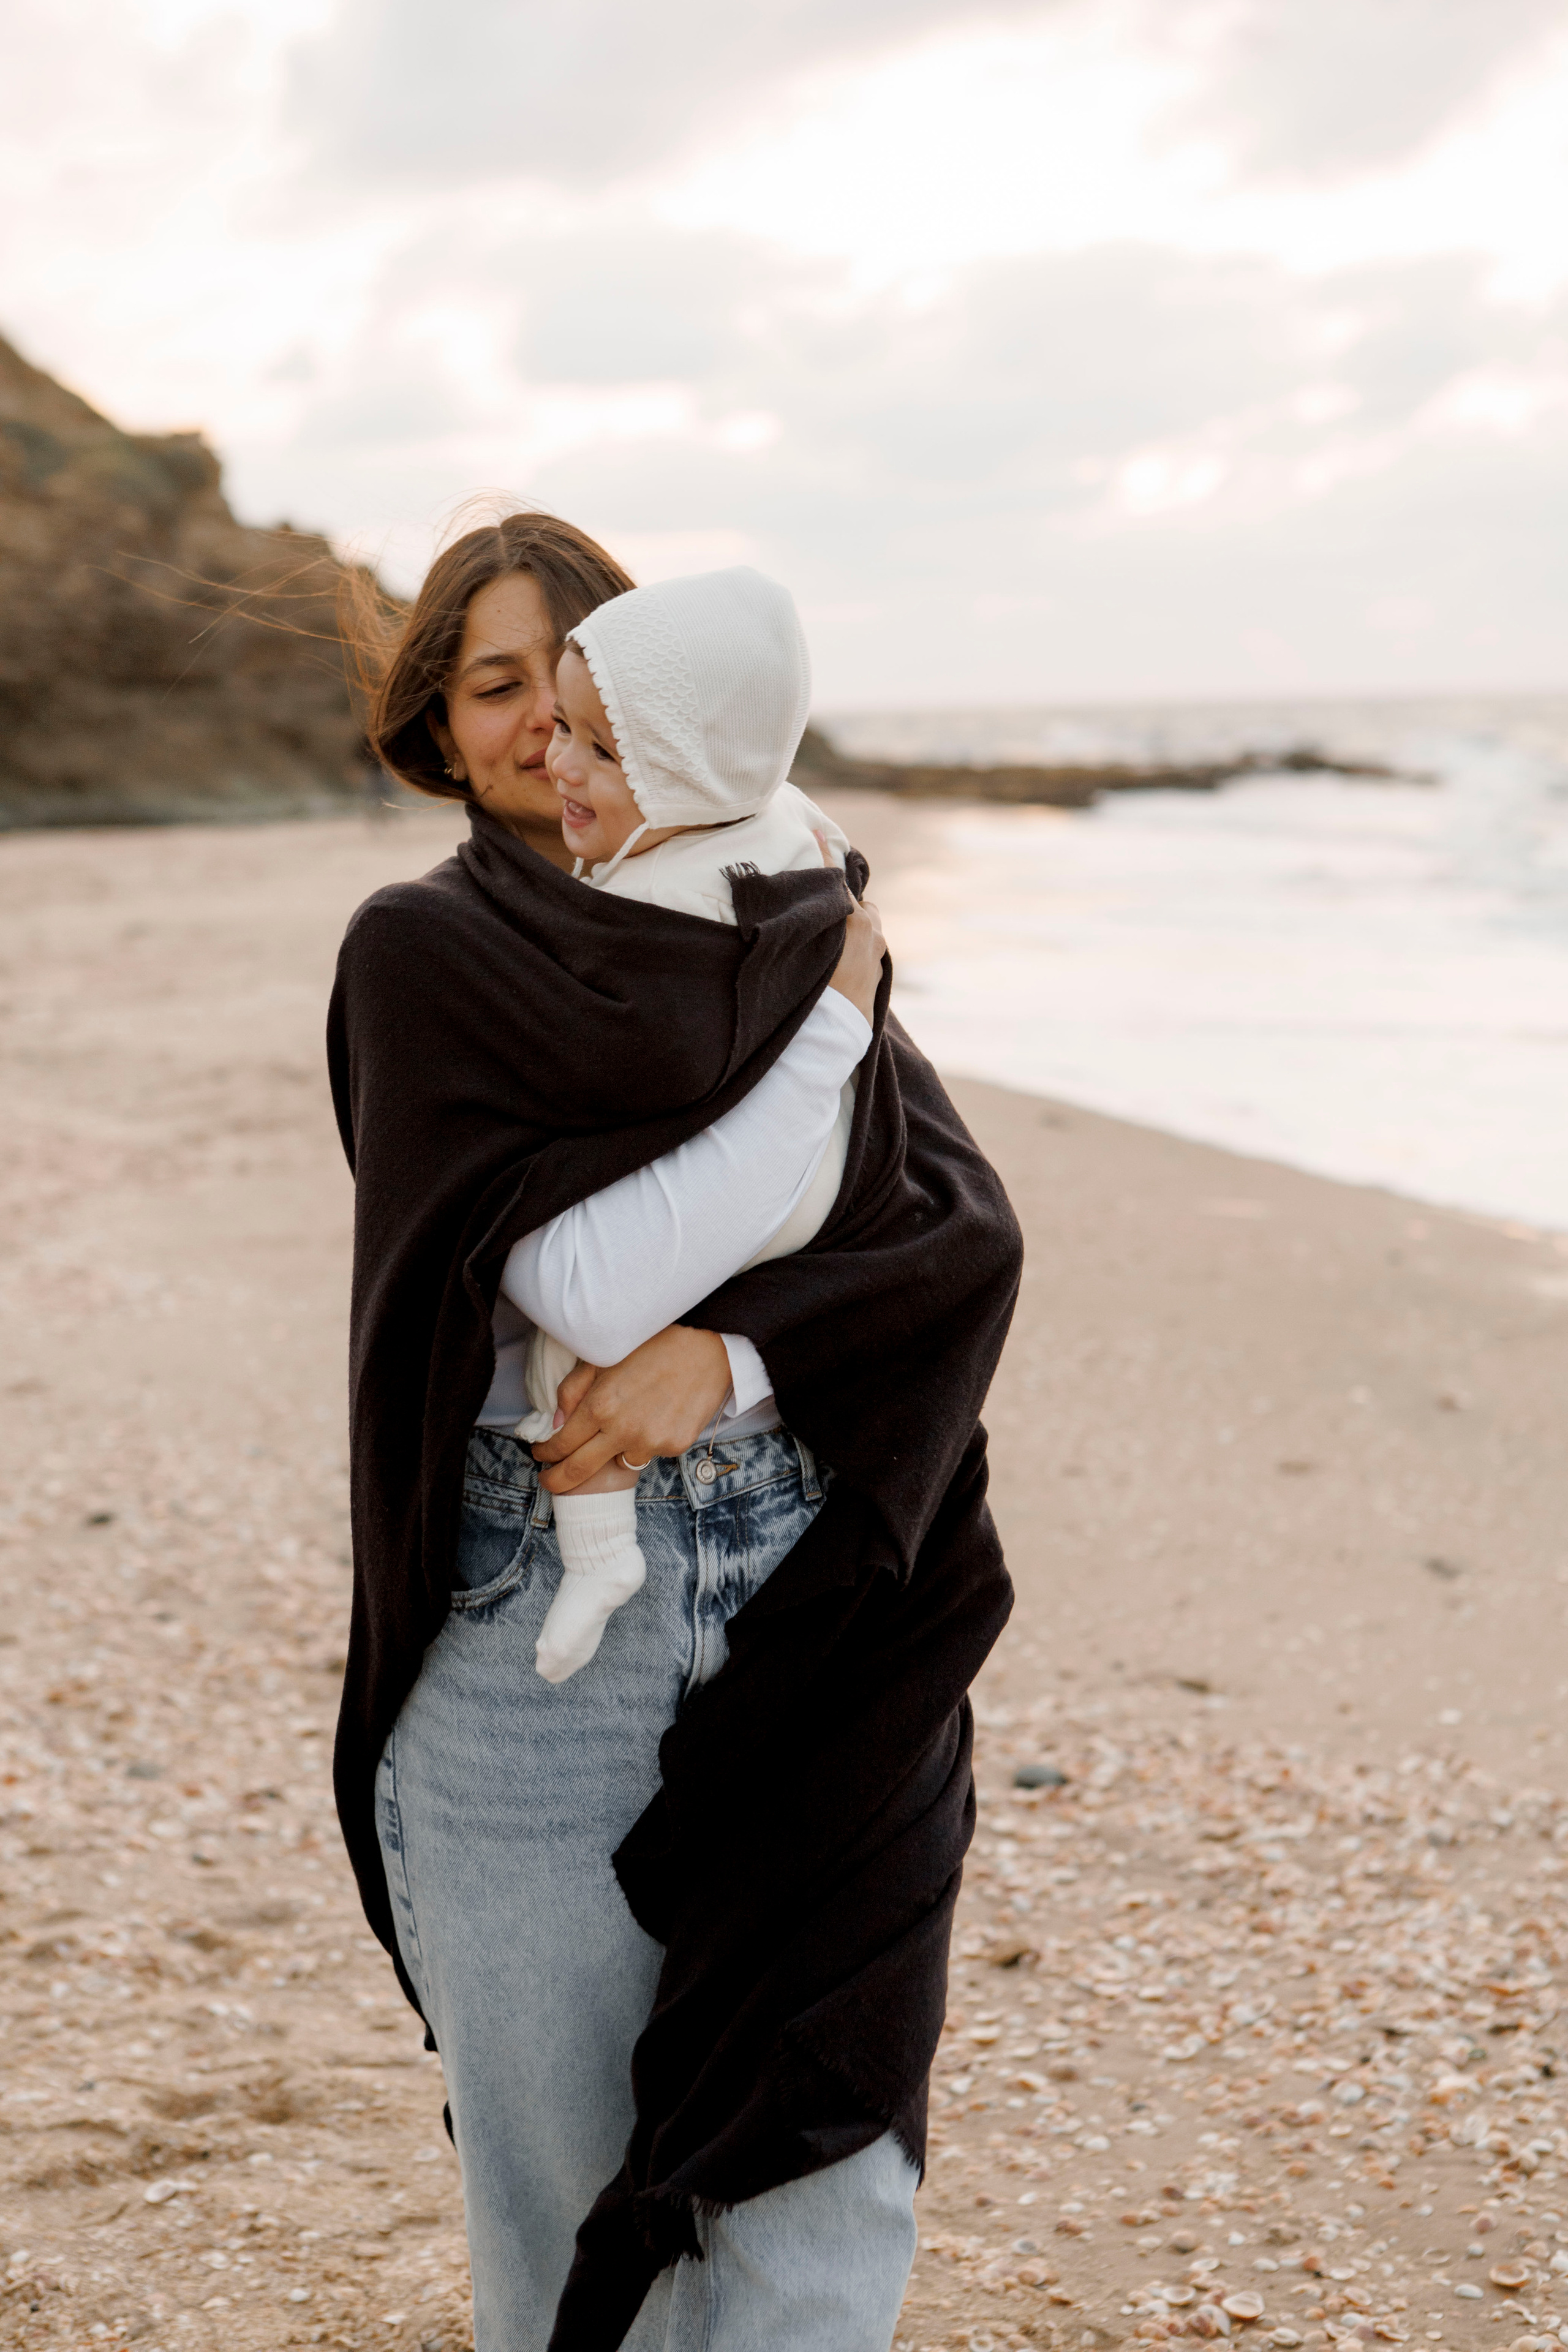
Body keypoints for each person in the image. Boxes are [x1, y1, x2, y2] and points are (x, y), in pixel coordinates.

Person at [329, 510, 1022, 2352]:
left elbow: (955, 1229)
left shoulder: (786, 917)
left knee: (828, 2163)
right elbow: (559, 1270)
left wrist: (732, 1361)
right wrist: (827, 1035)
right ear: (440, 720)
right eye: (496, 690)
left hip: (815, 1582)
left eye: (576, 693)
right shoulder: (424, 955)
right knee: (573, 2221)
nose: (543, 736)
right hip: (530, 1631)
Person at [518, 565, 864, 1684]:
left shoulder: (673, 900)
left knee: (572, 1359)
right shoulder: (776, 824)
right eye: (563, 728)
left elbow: (632, 1077)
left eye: (602, 750)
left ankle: (596, 1551)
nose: (558, 761)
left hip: (769, 1183)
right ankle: (602, 1551)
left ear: (691, 767)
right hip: (799, 1175)